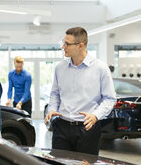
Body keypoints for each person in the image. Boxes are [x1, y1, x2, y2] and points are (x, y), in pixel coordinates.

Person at [44, 27, 116, 155]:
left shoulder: (100, 68)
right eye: (63, 42)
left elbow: (109, 98)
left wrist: (95, 116)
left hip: (87, 128)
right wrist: (52, 109)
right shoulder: (60, 68)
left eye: (67, 44)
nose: (63, 47)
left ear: (80, 46)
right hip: (62, 126)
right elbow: (55, 93)